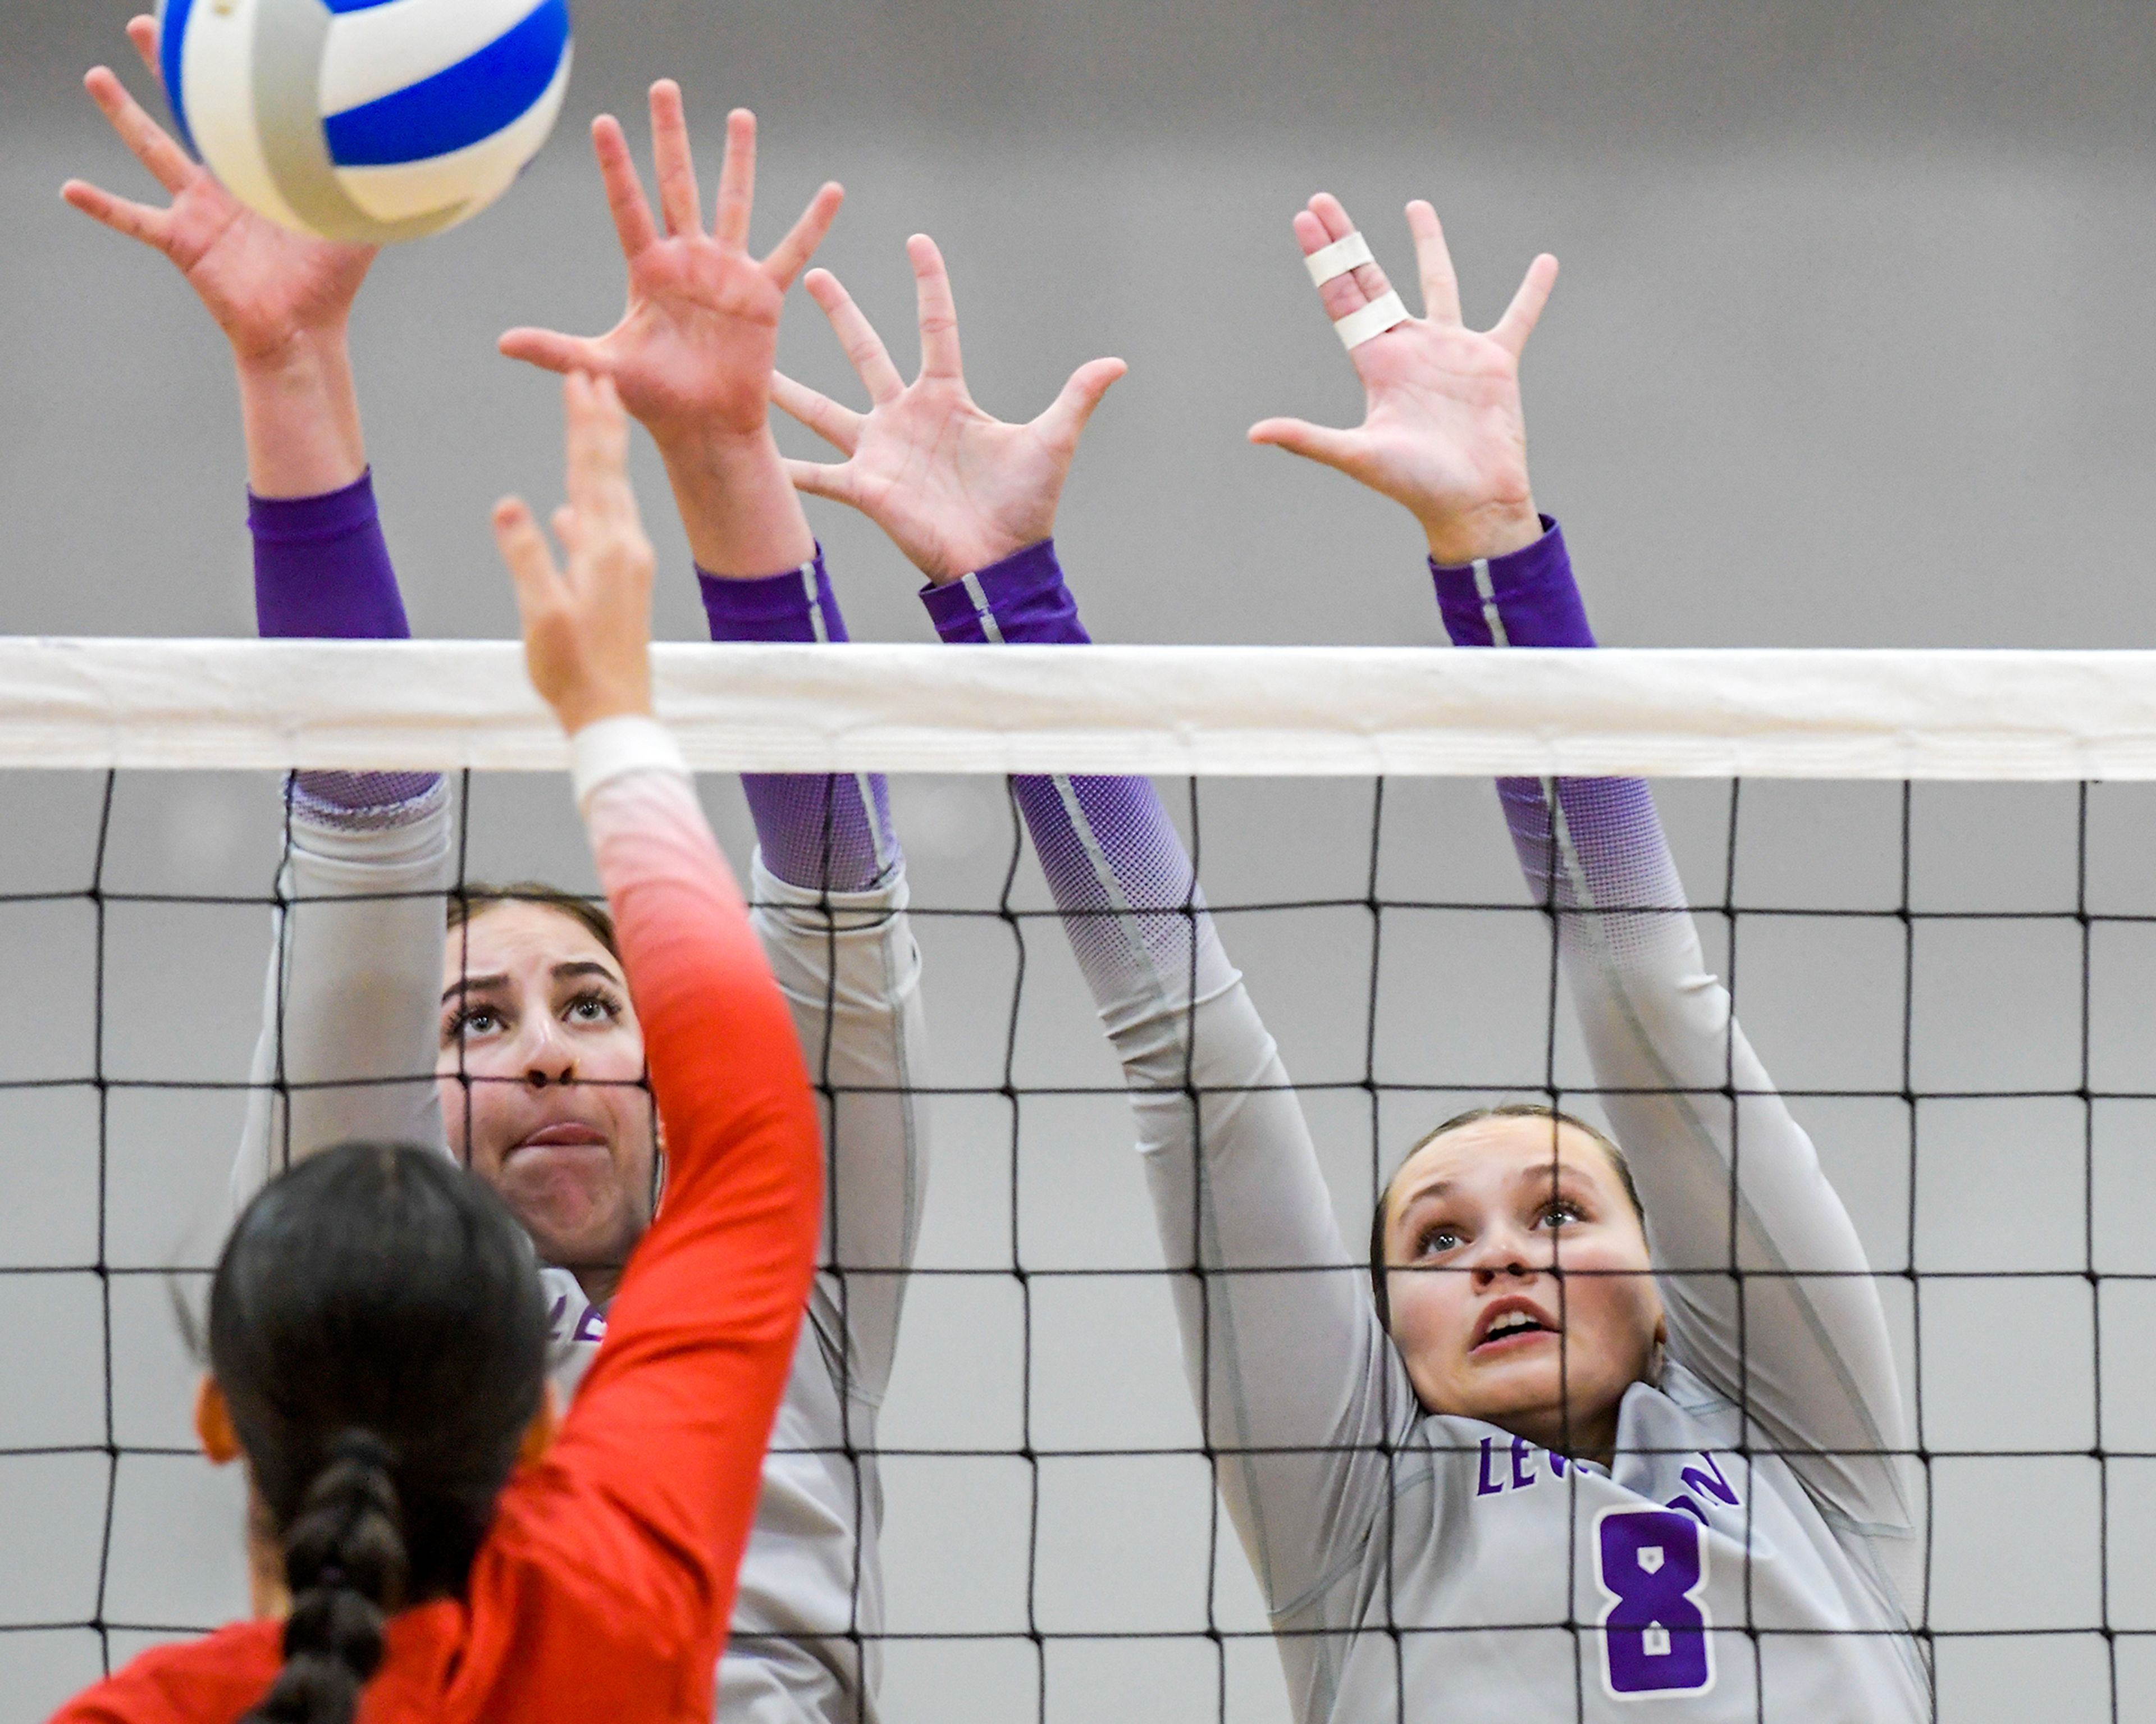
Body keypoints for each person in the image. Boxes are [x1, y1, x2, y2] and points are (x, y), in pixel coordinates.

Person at [772, 202, 1927, 1719]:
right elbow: (1191, 1056)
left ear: (1670, 1284)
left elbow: (1648, 996)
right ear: (1380, 1336)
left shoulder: (1810, 1454)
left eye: (1559, 1211)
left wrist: (1495, 547)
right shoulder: (1362, 1526)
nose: (1500, 1255)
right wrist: (1003, 602)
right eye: (1435, 1246)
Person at [65, 36, 926, 1722]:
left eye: (594, 1004)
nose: (542, 1049)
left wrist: (294, 368)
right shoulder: (656, 1488)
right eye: (475, 1017)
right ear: (536, 1422)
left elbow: (832, 911)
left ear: (229, 1410)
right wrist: (708, 513)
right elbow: (377, 857)